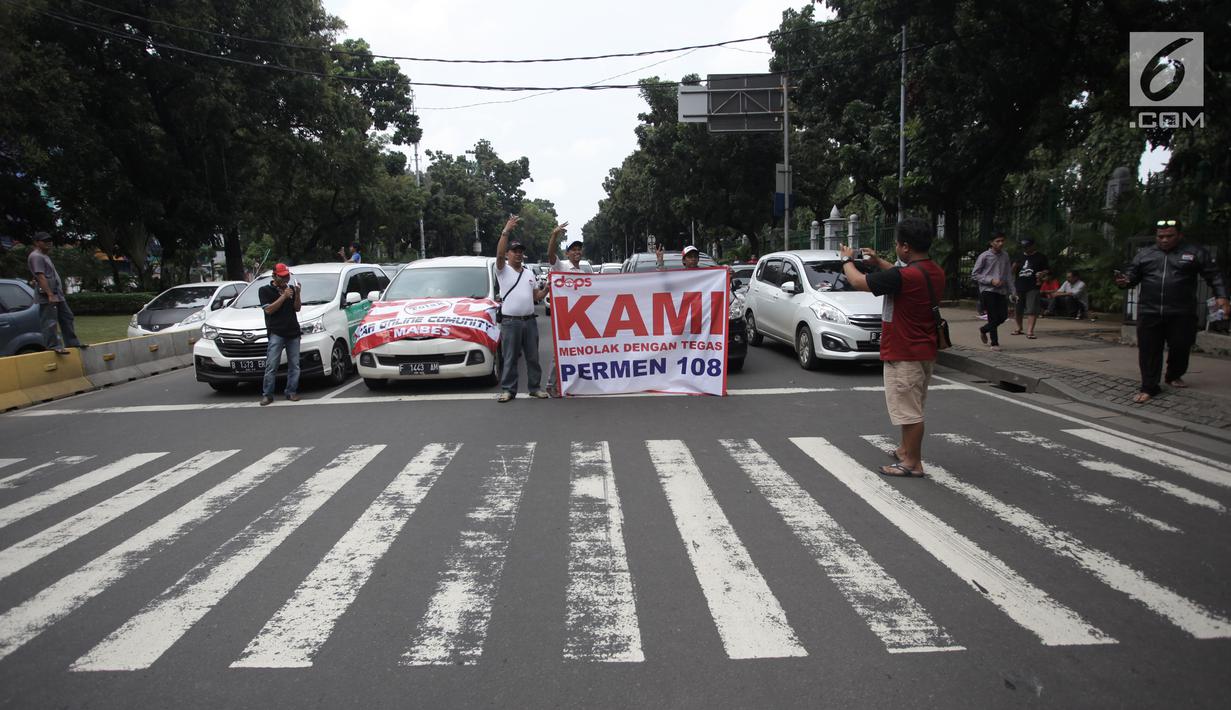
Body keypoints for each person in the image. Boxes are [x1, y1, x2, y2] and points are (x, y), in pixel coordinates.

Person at [838, 218, 945, 478]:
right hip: (924, 350)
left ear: (906, 247)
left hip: (903, 351)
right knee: (913, 405)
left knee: (909, 411)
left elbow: (858, 282)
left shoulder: (904, 276)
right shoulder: (933, 271)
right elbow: (898, 277)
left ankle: (912, 463)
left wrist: (846, 260)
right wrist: (878, 263)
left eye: (898, 244)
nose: (896, 249)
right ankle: (905, 450)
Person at [1116, 219, 1229, 404]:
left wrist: (1222, 296)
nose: (1165, 240)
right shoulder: (1145, 255)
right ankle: (1149, 386)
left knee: (1181, 346)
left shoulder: (1194, 252)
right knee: (1149, 350)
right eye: (1161, 236)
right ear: (1156, 236)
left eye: (1170, 236)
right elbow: (1131, 277)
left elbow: (1214, 274)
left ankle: (1174, 374)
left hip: (1181, 311)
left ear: (1179, 235)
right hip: (1149, 311)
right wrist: (1124, 281)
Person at [496, 215, 550, 402]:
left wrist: (548, 288)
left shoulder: (528, 273)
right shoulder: (502, 270)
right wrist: (506, 230)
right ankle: (508, 390)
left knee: (533, 358)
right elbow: (499, 253)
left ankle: (535, 387)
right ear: (508, 254)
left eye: (520, 251)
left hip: (530, 321)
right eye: (515, 251)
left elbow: (536, 297)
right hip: (511, 322)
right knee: (510, 358)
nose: (518, 254)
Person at [27, 231, 84, 355]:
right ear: (36, 243)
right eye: (45, 241)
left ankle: (72, 343)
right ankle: (53, 346)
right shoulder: (36, 256)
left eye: (49, 241)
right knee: (50, 321)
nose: (49, 243)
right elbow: (41, 276)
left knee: (67, 317)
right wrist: (49, 294)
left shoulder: (44, 256)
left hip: (57, 294)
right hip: (48, 294)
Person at [258, 263, 302, 405]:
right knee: (272, 364)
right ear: (274, 276)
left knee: (294, 364)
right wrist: (283, 297)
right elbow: (269, 310)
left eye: (287, 276)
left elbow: (297, 308)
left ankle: (291, 391)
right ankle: (267, 394)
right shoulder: (265, 290)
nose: (285, 279)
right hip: (276, 332)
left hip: (293, 331)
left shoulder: (290, 289)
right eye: (282, 277)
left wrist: (297, 294)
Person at [543, 222, 573, 398]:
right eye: (573, 249)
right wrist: (554, 235)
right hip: (564, 317)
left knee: (580, 350)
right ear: (567, 253)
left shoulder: (584, 272)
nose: (577, 252)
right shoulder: (561, 267)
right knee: (560, 351)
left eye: (579, 249)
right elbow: (550, 254)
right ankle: (550, 384)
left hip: (580, 318)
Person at [970, 232, 1014, 351]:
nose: (1000, 243)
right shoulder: (984, 256)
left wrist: (1013, 291)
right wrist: (990, 280)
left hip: (1001, 290)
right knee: (993, 317)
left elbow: (1009, 274)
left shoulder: (1005, 256)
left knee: (1003, 316)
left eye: (1002, 241)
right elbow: (975, 274)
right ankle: (994, 343)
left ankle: (984, 329)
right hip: (988, 290)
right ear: (991, 243)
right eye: (997, 241)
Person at [1010, 238, 1049, 338]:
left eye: (1027, 247)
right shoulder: (1019, 256)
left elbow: (1047, 271)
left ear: (1032, 246)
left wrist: (1042, 274)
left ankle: (1030, 331)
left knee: (1032, 308)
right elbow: (1011, 272)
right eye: (1024, 247)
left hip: (1033, 285)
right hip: (1019, 285)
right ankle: (1019, 327)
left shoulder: (1040, 257)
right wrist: (1014, 266)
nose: (1026, 249)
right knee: (1018, 309)